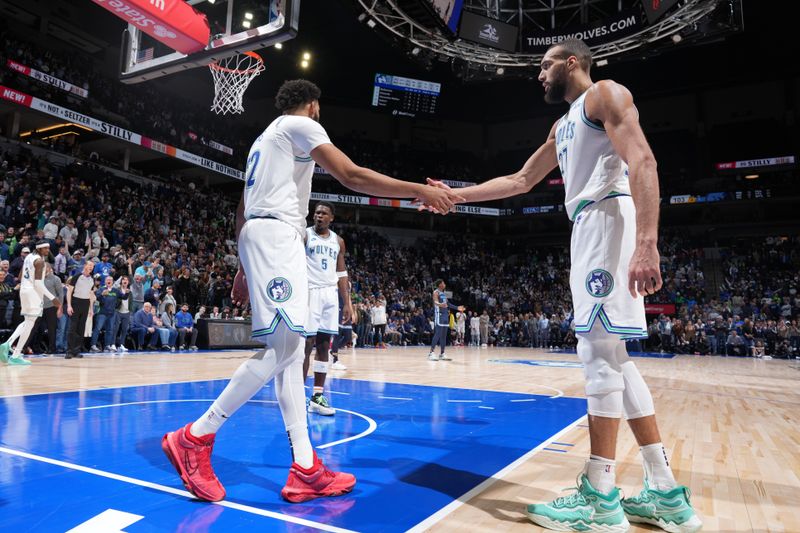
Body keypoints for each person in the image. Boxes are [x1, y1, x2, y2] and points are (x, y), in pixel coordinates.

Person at [427, 39, 701, 532]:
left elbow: (644, 162)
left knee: (596, 355)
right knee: (615, 357)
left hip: (607, 222)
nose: (539, 74)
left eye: (545, 64)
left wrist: (646, 243)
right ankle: (665, 492)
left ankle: (600, 497)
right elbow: (519, 180)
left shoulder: (605, 95)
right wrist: (454, 195)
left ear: (571, 63)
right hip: (591, 226)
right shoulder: (565, 123)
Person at [161, 79, 460, 505]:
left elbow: (243, 210)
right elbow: (351, 175)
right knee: (283, 353)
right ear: (313, 105)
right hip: (277, 237)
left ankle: (305, 467)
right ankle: (195, 437)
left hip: (261, 236)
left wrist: (245, 265)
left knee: (290, 353)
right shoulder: (301, 126)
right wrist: (419, 189)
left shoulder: (264, 141)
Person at [302, 202, 352, 417]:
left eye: (323, 213)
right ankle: (296, 394)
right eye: (316, 213)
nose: (318, 216)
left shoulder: (338, 241)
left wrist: (348, 303)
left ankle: (317, 396)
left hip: (330, 295)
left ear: (331, 217)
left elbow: (342, 274)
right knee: (306, 344)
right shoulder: (304, 235)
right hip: (309, 291)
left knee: (324, 346)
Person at [0, 242, 61, 364]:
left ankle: (10, 346)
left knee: (27, 321)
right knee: (30, 323)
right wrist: (52, 298)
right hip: (33, 292)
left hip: (24, 290)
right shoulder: (39, 261)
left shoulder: (28, 257)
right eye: (45, 248)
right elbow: (38, 284)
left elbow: (21, 274)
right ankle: (14, 352)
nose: (48, 250)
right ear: (39, 248)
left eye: (48, 248)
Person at [428, 279, 464, 361]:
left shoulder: (443, 294)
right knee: (438, 333)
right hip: (439, 315)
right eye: (443, 283)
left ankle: (442, 353)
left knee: (444, 335)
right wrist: (440, 304)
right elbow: (435, 302)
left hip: (445, 316)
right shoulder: (436, 292)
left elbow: (448, 304)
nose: (444, 284)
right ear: (440, 284)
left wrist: (458, 308)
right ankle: (431, 353)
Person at [90, 275, 122, 352]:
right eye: (107, 279)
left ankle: (107, 346)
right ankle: (93, 346)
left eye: (110, 280)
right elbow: (96, 298)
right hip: (102, 313)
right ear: (105, 281)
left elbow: (123, 297)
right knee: (97, 329)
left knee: (110, 330)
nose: (109, 281)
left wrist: (127, 292)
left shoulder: (115, 290)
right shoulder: (101, 289)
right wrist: (102, 295)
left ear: (113, 282)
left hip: (112, 313)